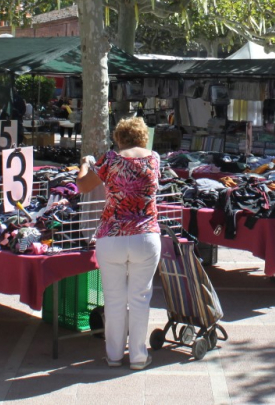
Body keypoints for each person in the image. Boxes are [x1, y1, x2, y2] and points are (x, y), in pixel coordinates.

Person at [76, 117, 161, 370]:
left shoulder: (109, 160)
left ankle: (113, 355)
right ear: (143, 137)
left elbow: (83, 186)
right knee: (140, 298)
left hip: (111, 237)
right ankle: (138, 356)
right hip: (145, 236)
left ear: (119, 138)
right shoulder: (154, 158)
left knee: (113, 299)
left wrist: (83, 165)